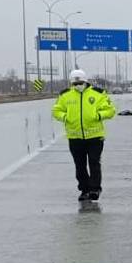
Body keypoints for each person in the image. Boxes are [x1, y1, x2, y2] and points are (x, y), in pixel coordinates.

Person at [52, 69, 117, 201]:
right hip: (75, 137)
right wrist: (65, 117)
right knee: (79, 165)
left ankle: (95, 189)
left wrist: (99, 115)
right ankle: (84, 189)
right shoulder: (65, 95)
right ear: (71, 84)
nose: (78, 85)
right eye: (75, 84)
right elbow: (56, 111)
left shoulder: (98, 94)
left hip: (95, 136)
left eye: (80, 82)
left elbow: (110, 110)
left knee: (94, 163)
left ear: (85, 81)